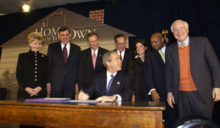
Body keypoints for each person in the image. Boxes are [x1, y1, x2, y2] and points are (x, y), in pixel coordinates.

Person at [166, 20, 220, 120]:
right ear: (173, 34)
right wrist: (169, 93)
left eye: (181, 28)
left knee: (204, 124)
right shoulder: (169, 50)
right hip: (181, 96)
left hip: (202, 94)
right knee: (186, 124)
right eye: (175, 30)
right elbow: (168, 73)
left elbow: (215, 66)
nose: (179, 31)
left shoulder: (202, 42)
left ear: (187, 29)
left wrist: (217, 86)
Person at [143, 33, 178, 128]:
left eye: (155, 41)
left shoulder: (173, 50)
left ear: (162, 40)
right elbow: (147, 75)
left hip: (176, 92)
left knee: (176, 119)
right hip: (159, 94)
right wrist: (152, 90)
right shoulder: (149, 56)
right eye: (152, 43)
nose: (154, 44)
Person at [16, 32, 48, 128]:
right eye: (35, 43)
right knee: (25, 121)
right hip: (25, 93)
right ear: (30, 43)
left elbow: (46, 75)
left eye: (39, 43)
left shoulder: (45, 58)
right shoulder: (22, 56)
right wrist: (26, 88)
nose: (37, 46)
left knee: (40, 121)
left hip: (40, 93)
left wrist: (39, 87)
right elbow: (19, 74)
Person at [47, 26, 81, 99]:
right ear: (59, 36)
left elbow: (78, 66)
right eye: (62, 35)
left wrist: (77, 82)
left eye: (66, 34)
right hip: (55, 83)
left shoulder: (77, 48)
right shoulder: (52, 47)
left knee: (69, 108)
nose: (65, 37)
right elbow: (49, 65)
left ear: (70, 35)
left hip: (70, 83)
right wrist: (48, 82)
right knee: (55, 108)